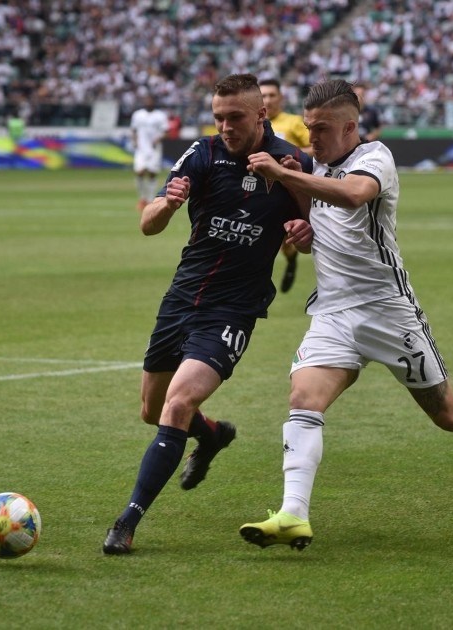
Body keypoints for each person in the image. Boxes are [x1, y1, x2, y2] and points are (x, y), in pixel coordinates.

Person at [239, 79, 453, 551]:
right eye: (309, 128)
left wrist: (287, 175)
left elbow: (354, 196)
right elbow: (326, 215)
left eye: (321, 130)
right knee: (303, 396)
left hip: (388, 313)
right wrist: (304, 227)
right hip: (334, 312)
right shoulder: (315, 164)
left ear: (351, 127)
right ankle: (294, 513)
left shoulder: (375, 158)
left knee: (446, 414)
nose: (311, 139)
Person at [102, 74, 314, 554]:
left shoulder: (291, 161)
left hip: (233, 309)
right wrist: (167, 205)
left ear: (261, 115)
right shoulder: (203, 153)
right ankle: (213, 435)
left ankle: (127, 521)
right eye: (218, 117)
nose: (225, 126)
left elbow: (315, 230)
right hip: (182, 298)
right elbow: (148, 224)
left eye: (234, 117)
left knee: (176, 406)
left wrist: (295, 212)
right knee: (151, 411)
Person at [259, 78, 312, 294]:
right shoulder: (254, 125)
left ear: (280, 98)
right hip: (260, 191)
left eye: (272, 95)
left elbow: (314, 148)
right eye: (264, 96)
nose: (268, 100)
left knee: (285, 238)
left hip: (289, 190)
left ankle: (290, 260)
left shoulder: (292, 122)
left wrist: (289, 156)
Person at [130, 95, 170, 211]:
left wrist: (157, 139)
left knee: (152, 173)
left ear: (153, 102)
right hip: (141, 149)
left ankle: (150, 199)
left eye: (150, 100)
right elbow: (133, 130)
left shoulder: (160, 116)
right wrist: (134, 141)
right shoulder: (138, 115)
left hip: (154, 149)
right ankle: (142, 198)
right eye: (146, 100)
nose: (148, 102)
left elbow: (166, 132)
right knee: (139, 171)